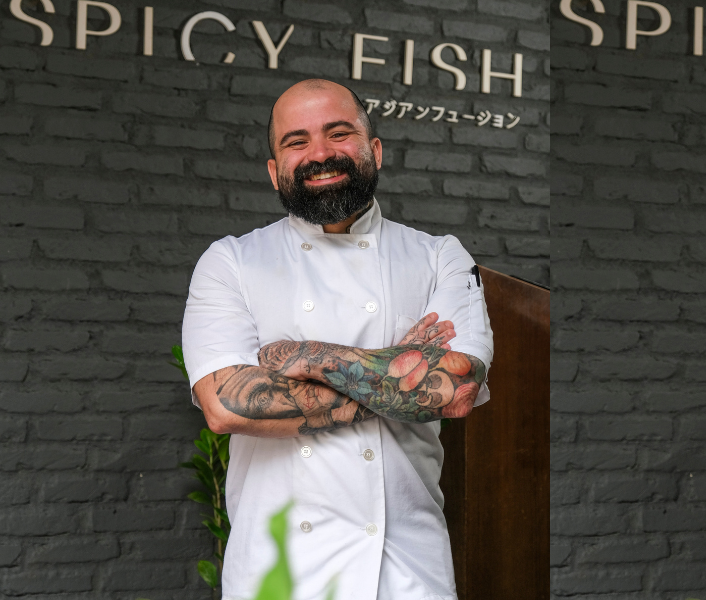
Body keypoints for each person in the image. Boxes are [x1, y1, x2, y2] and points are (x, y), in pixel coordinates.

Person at [182, 78, 493, 600]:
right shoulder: (230, 262)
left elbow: (456, 389)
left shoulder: (440, 256)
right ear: (274, 170)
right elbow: (226, 405)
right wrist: (401, 374)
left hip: (406, 570)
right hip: (278, 574)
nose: (320, 153)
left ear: (375, 150)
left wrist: (304, 356)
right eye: (296, 141)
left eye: (339, 133)